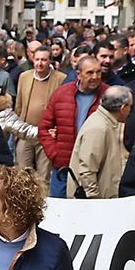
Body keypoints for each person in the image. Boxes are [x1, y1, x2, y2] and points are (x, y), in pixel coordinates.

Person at [38, 56, 109, 198]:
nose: (95, 77)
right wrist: (55, 154)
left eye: (98, 72)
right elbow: (44, 128)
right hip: (63, 168)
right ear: (78, 74)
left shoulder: (108, 95)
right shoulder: (62, 94)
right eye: (89, 73)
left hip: (94, 168)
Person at [70, 85, 132, 199]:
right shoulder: (98, 127)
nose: (130, 111)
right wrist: (95, 201)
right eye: (130, 107)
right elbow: (87, 170)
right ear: (123, 108)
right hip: (95, 203)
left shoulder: (109, 123)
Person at [13, 45, 59, 180]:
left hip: (46, 133)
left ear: (50, 61)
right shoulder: (24, 76)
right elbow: (19, 105)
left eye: (44, 60)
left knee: (44, 174)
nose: (40, 63)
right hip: (25, 132)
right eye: (37, 59)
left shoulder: (60, 78)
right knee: (22, 173)